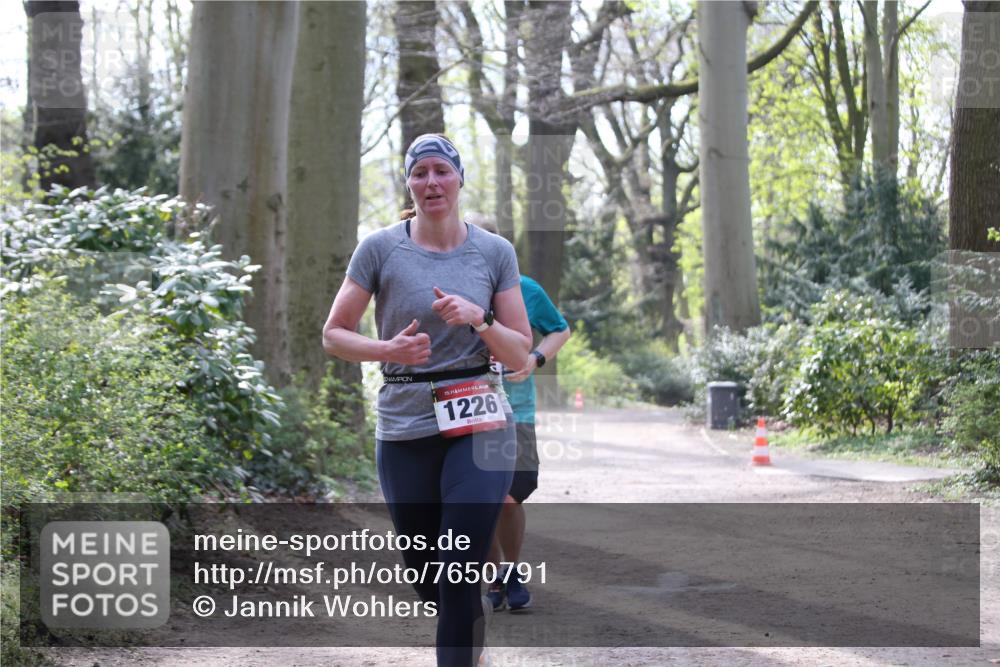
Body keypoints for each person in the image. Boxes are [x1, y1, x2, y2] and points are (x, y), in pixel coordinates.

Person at [322, 134, 531, 667]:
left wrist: (480, 319)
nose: (431, 182)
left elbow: (520, 352)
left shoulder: (493, 251)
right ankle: (469, 637)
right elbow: (334, 334)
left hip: (481, 418)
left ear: (459, 179)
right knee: (424, 570)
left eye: (441, 171)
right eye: (420, 173)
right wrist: (386, 349)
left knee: (459, 561)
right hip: (405, 420)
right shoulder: (380, 248)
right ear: (409, 183)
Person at [466, 214, 571, 612]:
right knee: (483, 500)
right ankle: (498, 579)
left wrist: (535, 358)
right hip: (469, 410)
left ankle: (510, 567)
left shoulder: (525, 290)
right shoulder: (456, 290)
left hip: (518, 410)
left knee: (513, 493)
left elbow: (559, 328)